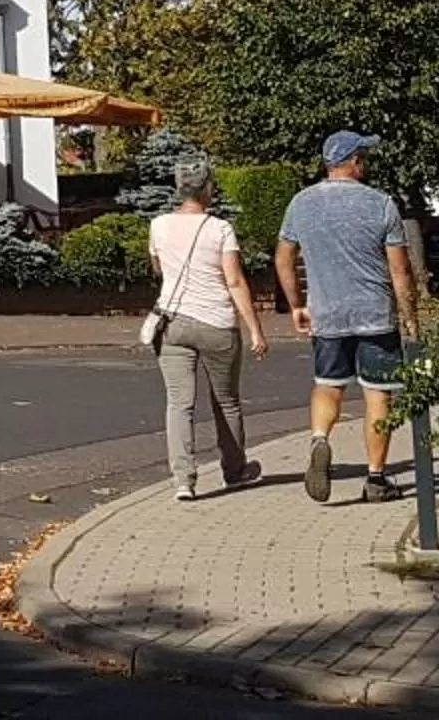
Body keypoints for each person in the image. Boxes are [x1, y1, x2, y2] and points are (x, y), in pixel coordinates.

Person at [274, 131, 421, 504]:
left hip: (327, 313)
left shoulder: (300, 204)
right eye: (363, 158)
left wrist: (297, 305)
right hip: (374, 315)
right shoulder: (381, 204)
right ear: (354, 161)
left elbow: (283, 258)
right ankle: (375, 478)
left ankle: (320, 438)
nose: (365, 164)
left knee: (328, 386)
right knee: (378, 396)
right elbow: (401, 271)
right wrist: (410, 317)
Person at [149, 159, 269, 499]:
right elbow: (233, 280)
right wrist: (255, 329)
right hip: (216, 323)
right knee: (226, 401)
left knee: (179, 403)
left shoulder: (158, 225)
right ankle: (234, 471)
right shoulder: (220, 229)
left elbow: (158, 268)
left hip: (171, 323)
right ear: (206, 189)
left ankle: (183, 481)